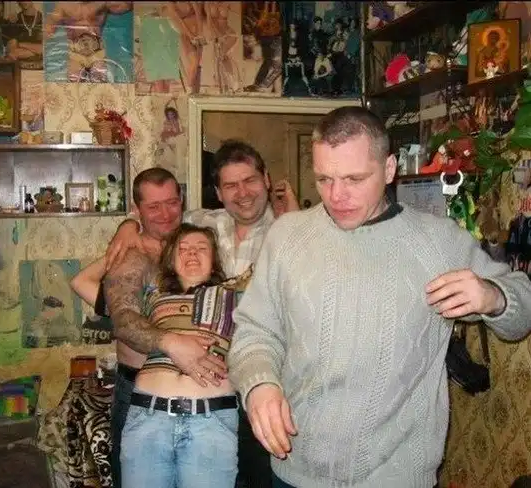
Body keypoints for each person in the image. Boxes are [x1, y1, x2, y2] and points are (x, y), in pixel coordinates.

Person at [227, 106, 531, 488]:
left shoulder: (438, 242)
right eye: (324, 179)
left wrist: (493, 296)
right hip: (296, 470)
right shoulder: (287, 236)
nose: (337, 195)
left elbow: (523, 307)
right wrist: (259, 384)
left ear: (389, 169)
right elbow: (255, 331)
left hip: (397, 476)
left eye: (354, 178)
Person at [104, 140, 300, 488]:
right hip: (154, 395)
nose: (242, 193)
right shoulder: (199, 221)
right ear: (219, 192)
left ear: (267, 180)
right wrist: (129, 225)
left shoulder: (291, 231)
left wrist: (296, 225)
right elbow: (157, 220)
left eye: (250, 181)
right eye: (230, 185)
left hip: (250, 386)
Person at [70, 167, 184, 488]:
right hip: (137, 385)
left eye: (172, 202)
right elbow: (81, 282)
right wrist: (128, 229)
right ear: (138, 209)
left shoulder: (193, 245)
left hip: (187, 384)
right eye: (153, 207)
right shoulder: (129, 254)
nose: (165, 214)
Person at [117, 223, 251, 488]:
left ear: (214, 261)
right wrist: (128, 227)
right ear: (171, 260)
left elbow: (283, 259)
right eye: (183, 249)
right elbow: (85, 284)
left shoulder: (237, 293)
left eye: (202, 248)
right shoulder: (152, 295)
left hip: (212, 422)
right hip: (147, 417)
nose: (192, 253)